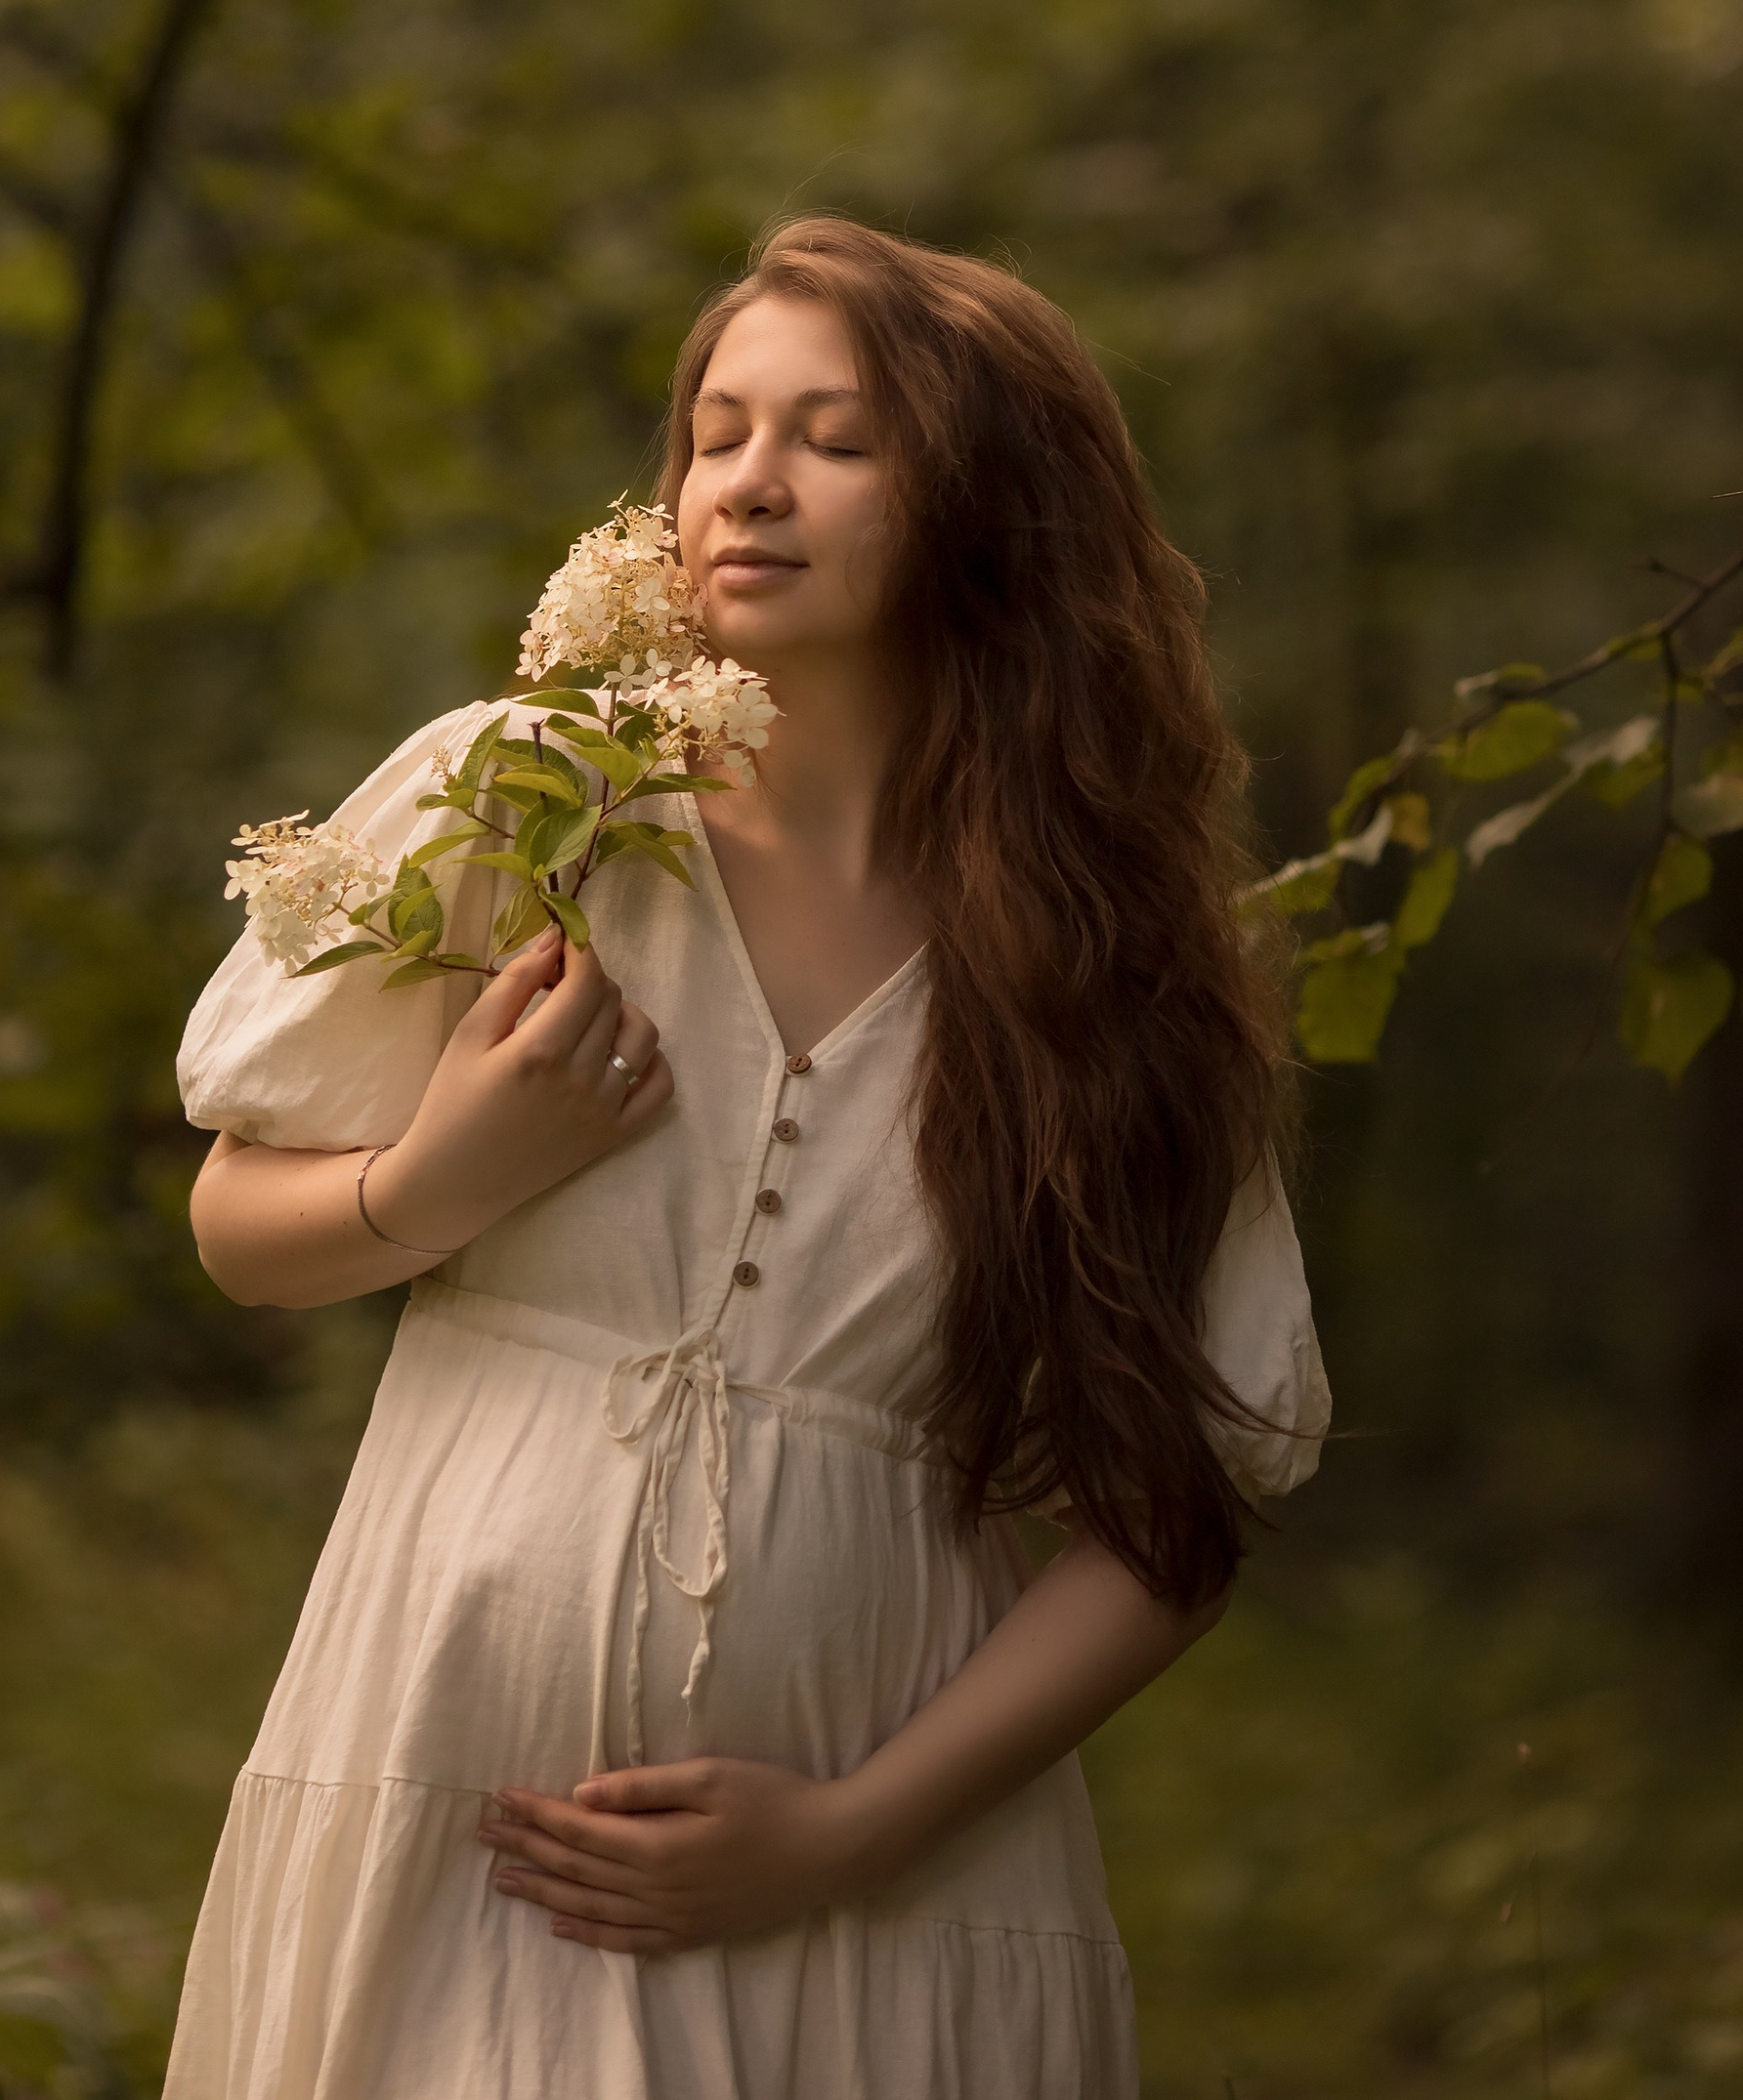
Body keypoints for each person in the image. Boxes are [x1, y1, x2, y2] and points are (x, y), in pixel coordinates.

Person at [166, 216, 1328, 2100]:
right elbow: (236, 1229)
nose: (748, 485)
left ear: (990, 511)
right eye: (717, 431)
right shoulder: (527, 811)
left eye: (839, 438)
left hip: (880, 1913)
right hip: (442, 1818)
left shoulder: (1105, 974)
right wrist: (440, 1174)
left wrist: (854, 1830)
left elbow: (1174, 1511)